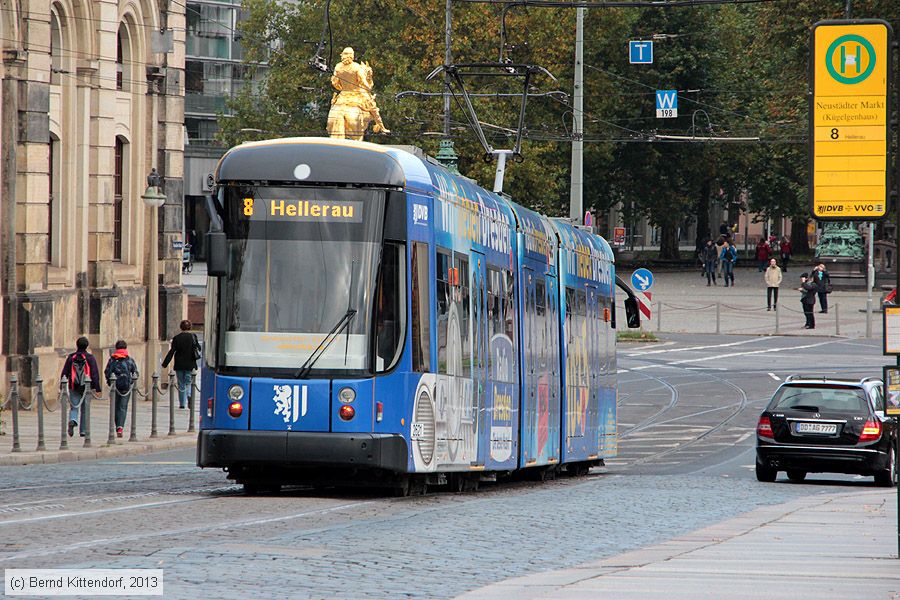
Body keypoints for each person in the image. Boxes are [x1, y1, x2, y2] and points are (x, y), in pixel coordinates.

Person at [60, 337, 102, 437]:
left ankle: (73, 419)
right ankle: (83, 430)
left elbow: (65, 372)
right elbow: (94, 374)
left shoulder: (71, 357)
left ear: (77, 345)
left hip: (73, 385)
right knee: (85, 408)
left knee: (74, 406)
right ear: (87, 346)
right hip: (86, 386)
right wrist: (97, 388)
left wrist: (62, 384)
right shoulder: (90, 358)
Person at [162, 320, 201, 409]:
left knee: (181, 383)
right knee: (189, 382)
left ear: (181, 327)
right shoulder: (193, 337)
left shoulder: (177, 338)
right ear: (189, 327)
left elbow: (172, 351)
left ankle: (182, 404)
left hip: (179, 364)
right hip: (190, 364)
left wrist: (165, 363)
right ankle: (189, 395)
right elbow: (198, 348)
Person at [104, 340, 139, 438]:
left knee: (115, 407)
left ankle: (117, 426)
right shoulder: (129, 360)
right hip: (126, 387)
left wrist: (109, 382)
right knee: (123, 407)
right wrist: (131, 382)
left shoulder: (112, 360)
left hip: (114, 387)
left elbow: (107, 372)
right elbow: (135, 373)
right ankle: (120, 427)